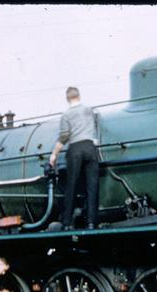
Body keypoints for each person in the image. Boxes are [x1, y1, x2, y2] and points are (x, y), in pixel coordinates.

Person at [49, 86, 99, 230]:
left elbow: (64, 136)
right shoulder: (89, 110)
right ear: (79, 96)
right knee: (92, 187)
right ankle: (91, 223)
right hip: (90, 148)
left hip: (75, 149)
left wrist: (54, 154)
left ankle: (66, 223)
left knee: (71, 185)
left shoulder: (66, 115)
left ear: (67, 98)